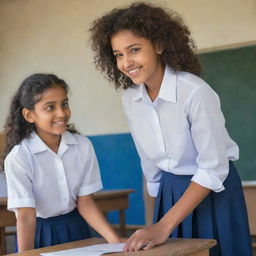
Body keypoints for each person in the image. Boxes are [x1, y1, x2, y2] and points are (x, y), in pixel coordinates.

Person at [89, 2, 252, 255]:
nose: (126, 62)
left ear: (159, 45)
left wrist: (163, 225)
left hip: (212, 193)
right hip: (170, 193)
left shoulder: (194, 92)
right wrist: (153, 225)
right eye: (118, 54)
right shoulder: (130, 100)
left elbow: (212, 168)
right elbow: (151, 168)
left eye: (134, 50)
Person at [1, 73, 120, 252]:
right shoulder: (20, 157)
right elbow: (26, 216)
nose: (61, 113)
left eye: (64, 104)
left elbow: (85, 203)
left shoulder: (82, 146)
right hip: (39, 233)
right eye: (50, 107)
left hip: (76, 228)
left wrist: (115, 241)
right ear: (29, 115)